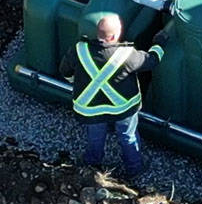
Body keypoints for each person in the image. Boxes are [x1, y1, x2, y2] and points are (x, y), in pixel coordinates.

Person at [59, 14, 167, 179]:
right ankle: (134, 168)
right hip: (122, 108)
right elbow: (152, 60)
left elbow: (65, 70)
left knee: (95, 137)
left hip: (90, 108)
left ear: (98, 32)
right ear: (115, 35)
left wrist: (75, 82)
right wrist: (159, 43)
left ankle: (91, 166)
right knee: (128, 136)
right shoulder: (127, 55)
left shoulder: (80, 49)